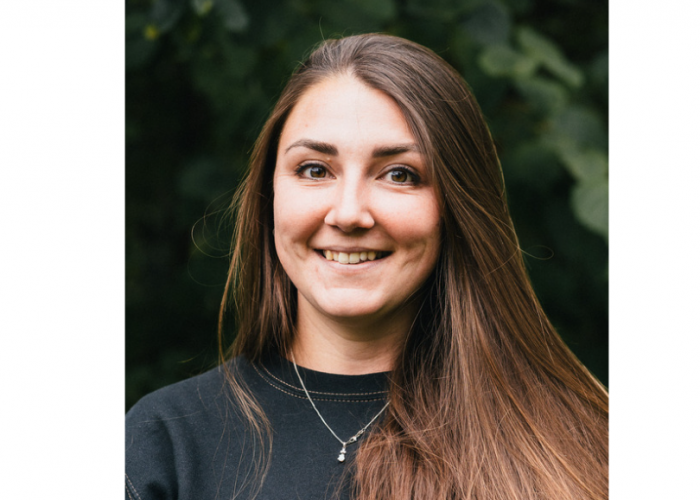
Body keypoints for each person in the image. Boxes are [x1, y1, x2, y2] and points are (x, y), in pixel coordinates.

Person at [126, 33, 608, 500]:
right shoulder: (163, 443)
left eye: (399, 175)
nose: (349, 213)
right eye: (314, 169)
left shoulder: (579, 445)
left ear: (459, 208)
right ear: (268, 195)